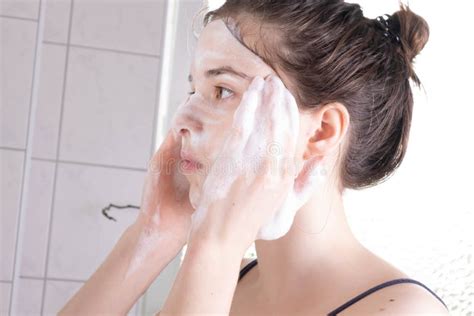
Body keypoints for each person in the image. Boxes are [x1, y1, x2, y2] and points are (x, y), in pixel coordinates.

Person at [60, 1, 450, 315]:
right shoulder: (226, 281)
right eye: (194, 89)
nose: (181, 119)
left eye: (224, 90)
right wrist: (154, 232)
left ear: (322, 131)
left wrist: (215, 246)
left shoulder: (400, 312)